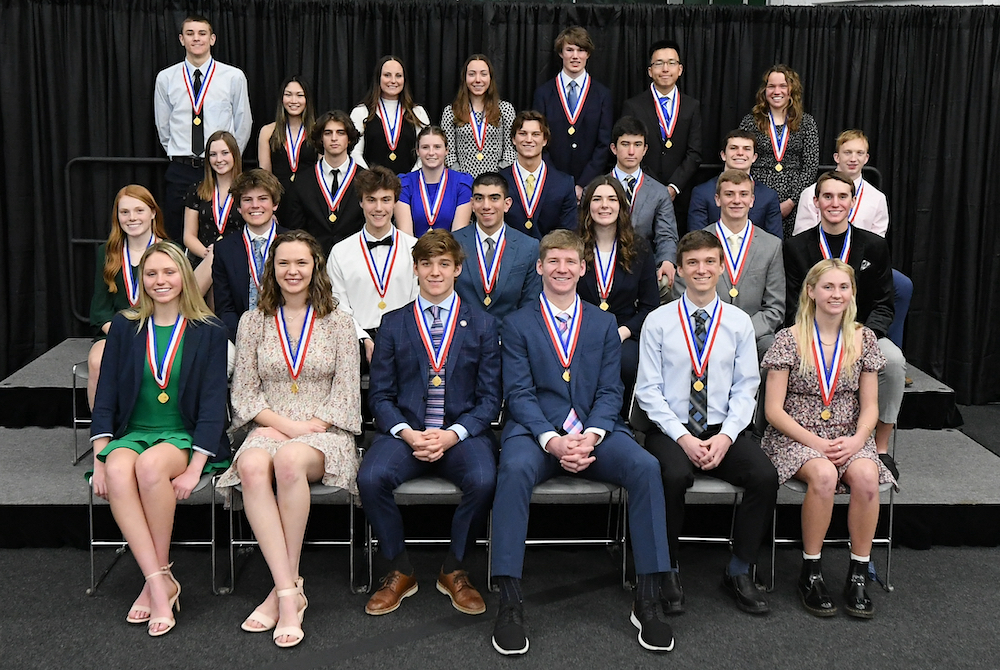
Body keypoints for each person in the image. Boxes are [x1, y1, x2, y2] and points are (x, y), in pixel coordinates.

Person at [490, 230, 674, 656]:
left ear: (582, 268)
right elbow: (518, 393)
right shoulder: (517, 323)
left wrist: (590, 435)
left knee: (646, 468)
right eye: (553, 261)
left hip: (596, 432)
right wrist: (554, 441)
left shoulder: (603, 321)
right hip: (537, 435)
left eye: (570, 262)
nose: (562, 269)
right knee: (513, 469)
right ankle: (510, 601)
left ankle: (647, 597)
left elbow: (612, 390)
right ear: (539, 268)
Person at [215, 230, 361, 648]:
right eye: (283, 263)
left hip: (324, 432)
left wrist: (301, 428)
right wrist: (278, 424)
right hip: (268, 424)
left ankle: (279, 593)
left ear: (315, 266)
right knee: (251, 464)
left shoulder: (338, 321)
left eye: (301, 262)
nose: (292, 271)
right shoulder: (252, 320)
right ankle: (287, 591)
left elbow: (348, 392)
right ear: (271, 269)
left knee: (289, 461)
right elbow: (243, 392)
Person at [90, 241, 229, 637]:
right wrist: (101, 454)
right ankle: (158, 580)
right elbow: (108, 395)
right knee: (118, 472)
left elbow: (212, 402)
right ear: (142, 280)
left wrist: (196, 468)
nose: (160, 281)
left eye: (168, 272)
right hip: (134, 431)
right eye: (151, 274)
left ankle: (156, 578)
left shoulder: (210, 330)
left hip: (181, 434)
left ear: (184, 276)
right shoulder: (124, 326)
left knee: (151, 469)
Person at [635, 230, 777, 616]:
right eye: (692, 263)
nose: (701, 270)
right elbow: (647, 390)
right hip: (670, 428)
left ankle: (739, 568)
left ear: (722, 268)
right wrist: (682, 438)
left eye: (709, 262)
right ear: (679, 269)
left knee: (764, 475)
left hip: (721, 429)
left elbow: (747, 387)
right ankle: (668, 568)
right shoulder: (659, 321)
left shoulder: (738, 323)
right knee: (672, 476)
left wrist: (728, 436)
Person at [359, 230, 501, 617]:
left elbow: (490, 399)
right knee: (370, 478)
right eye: (426, 264)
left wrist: (452, 435)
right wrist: (407, 432)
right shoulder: (392, 323)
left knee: (485, 478)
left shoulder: (484, 324)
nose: (434, 272)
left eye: (443, 264)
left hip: (461, 432)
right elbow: (380, 396)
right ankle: (400, 569)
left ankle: (455, 569)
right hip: (407, 432)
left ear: (457, 269)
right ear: (416, 268)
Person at [762, 258, 897, 618]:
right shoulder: (789, 339)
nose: (836, 294)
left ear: (852, 292)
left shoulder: (863, 338)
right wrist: (816, 443)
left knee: (867, 477)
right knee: (823, 475)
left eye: (843, 287)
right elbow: (773, 410)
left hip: (848, 434)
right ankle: (812, 571)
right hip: (796, 434)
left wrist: (858, 440)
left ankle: (857, 573)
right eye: (828, 287)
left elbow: (870, 407)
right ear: (811, 292)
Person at [783, 172, 904, 470]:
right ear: (816, 202)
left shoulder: (874, 246)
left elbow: (883, 303)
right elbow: (790, 304)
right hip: (811, 331)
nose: (834, 203)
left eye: (842, 197)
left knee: (895, 361)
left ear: (852, 202)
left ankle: (882, 446)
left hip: (860, 331)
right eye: (827, 196)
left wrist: (865, 336)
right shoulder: (795, 247)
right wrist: (812, 334)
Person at [793, 129, 912, 350]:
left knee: (901, 286)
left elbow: (877, 241)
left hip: (860, 263)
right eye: (847, 152)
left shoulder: (877, 197)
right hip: (819, 262)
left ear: (866, 158)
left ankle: (888, 346)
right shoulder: (810, 193)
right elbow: (803, 236)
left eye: (859, 153)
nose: (853, 158)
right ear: (836, 157)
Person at [154, 15, 252, 245]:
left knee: (225, 230)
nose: (196, 38)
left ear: (212, 38)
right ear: (181, 39)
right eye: (190, 33)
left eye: (202, 33)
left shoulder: (233, 76)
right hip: (182, 168)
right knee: (178, 234)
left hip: (221, 169)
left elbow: (243, 122)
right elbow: (163, 125)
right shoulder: (166, 78)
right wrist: (179, 152)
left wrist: (227, 159)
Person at [681, 170, 784, 360]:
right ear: (717, 199)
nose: (737, 200)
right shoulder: (697, 242)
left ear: (752, 200)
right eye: (729, 194)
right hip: (705, 330)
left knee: (771, 348)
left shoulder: (771, 245)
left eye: (743, 194)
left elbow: (775, 307)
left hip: (753, 334)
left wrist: (742, 331)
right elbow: (681, 295)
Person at [576, 176, 658, 409]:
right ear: (587, 206)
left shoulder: (640, 248)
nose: (604, 205)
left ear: (621, 206)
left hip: (623, 331)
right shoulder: (573, 246)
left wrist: (622, 332)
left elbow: (650, 306)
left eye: (612, 199)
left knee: (627, 362)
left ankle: (620, 421)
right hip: (579, 329)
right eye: (597, 199)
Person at [327, 166, 419, 368]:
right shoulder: (340, 252)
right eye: (371, 200)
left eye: (385, 200)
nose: (379, 208)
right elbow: (338, 305)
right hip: (353, 344)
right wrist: (364, 339)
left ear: (395, 202)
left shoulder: (415, 248)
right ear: (361, 202)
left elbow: (418, 299)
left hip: (406, 341)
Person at [88, 186, 168, 410]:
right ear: (117, 216)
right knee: (97, 361)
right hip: (116, 333)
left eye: (139, 210)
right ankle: (102, 433)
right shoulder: (107, 252)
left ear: (153, 213)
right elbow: (100, 310)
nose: (132, 218)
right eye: (125, 212)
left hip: (161, 332)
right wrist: (123, 335)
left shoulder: (171, 251)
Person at [620, 39, 702, 221]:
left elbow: (694, 152)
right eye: (659, 63)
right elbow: (628, 150)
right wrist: (656, 188)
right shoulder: (633, 106)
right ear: (650, 71)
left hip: (681, 196)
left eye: (671, 63)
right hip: (642, 193)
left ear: (680, 70)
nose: (665, 69)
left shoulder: (691, 106)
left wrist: (673, 187)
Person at [531, 26, 614, 200]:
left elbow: (604, 143)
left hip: (590, 187)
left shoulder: (602, 95)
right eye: (569, 50)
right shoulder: (544, 94)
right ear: (561, 53)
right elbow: (538, 141)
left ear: (588, 54)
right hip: (550, 184)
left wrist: (583, 184)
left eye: (581, 50)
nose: (575, 56)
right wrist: (558, 181)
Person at [739, 65, 820, 238]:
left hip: (795, 202)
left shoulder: (806, 123)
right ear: (764, 90)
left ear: (792, 90)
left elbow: (810, 166)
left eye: (783, 86)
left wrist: (791, 201)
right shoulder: (750, 122)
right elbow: (740, 159)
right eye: (771, 86)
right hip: (756, 200)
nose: (777, 91)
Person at [452, 173, 541, 326]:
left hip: (509, 339)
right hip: (463, 337)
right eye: (479, 198)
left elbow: (529, 304)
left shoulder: (529, 247)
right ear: (472, 204)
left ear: (507, 204)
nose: (486, 206)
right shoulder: (454, 243)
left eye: (494, 198)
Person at [213, 169, 289, 344]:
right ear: (239, 207)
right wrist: (243, 338)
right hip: (241, 336)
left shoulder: (294, 243)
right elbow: (225, 308)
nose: (255, 205)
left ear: (275, 204)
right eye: (247, 200)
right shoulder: (224, 249)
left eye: (262, 199)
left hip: (289, 335)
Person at [609, 116, 679, 297]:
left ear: (645, 149)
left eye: (637, 144)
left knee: (666, 281)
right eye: (625, 144)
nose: (631, 151)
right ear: (614, 148)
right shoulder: (596, 189)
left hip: (643, 266)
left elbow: (666, 234)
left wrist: (667, 261)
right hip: (605, 263)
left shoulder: (659, 192)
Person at [284, 110, 367, 256]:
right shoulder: (302, 181)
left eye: (340, 133)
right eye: (328, 133)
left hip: (355, 259)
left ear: (349, 138)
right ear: (321, 139)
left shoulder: (365, 179)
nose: (334, 138)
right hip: (314, 263)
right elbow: (296, 229)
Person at [687, 129, 784, 239]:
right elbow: (696, 241)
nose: (740, 153)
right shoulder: (702, 193)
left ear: (754, 157)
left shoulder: (769, 196)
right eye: (734, 148)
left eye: (747, 149)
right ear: (723, 155)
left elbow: (774, 243)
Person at [183, 130, 243, 299]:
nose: (219, 159)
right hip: (203, 257)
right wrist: (206, 254)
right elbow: (188, 236)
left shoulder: (247, 189)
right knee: (214, 265)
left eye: (225, 153)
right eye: (213, 155)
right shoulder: (197, 190)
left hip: (238, 256)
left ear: (234, 155)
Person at [500, 111, 578, 239]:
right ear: (514, 139)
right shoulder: (499, 182)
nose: (529, 140)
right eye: (522, 134)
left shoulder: (564, 183)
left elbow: (567, 234)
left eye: (535, 134)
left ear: (545, 140)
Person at [350, 56, 431, 172]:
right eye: (387, 75)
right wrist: (373, 180)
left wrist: (409, 180)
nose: (393, 80)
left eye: (398, 76)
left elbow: (426, 153)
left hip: (410, 186)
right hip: (372, 186)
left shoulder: (418, 112)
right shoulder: (361, 112)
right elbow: (355, 153)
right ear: (378, 78)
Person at [441, 54, 516, 177]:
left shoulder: (505, 109)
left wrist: (498, 175)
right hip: (462, 182)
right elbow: (447, 152)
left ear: (490, 78)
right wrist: (461, 177)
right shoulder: (451, 111)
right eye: (472, 74)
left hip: (497, 180)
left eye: (483, 74)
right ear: (464, 78)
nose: (478, 79)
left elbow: (511, 148)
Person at [394, 126, 474, 236]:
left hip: (451, 251)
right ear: (418, 151)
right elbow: (406, 235)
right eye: (425, 147)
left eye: (437, 147)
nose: (431, 152)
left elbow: (458, 235)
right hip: (414, 251)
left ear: (446, 150)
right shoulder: (405, 184)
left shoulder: (462, 184)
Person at [257, 75, 318, 194]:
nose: (293, 100)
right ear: (281, 98)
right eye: (288, 94)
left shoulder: (318, 130)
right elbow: (265, 175)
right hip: (279, 196)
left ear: (307, 99)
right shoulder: (267, 132)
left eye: (299, 95)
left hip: (311, 196)